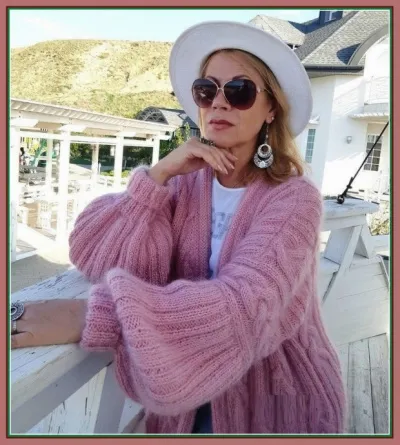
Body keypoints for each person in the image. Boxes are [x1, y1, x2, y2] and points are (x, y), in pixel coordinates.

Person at [10, 21, 347, 434]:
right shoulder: (183, 183)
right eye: (207, 90)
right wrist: (157, 177)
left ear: (271, 108)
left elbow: (248, 305)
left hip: (273, 401)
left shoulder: (293, 198)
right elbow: (91, 250)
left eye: (239, 91)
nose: (219, 102)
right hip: (183, 402)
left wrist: (97, 315)